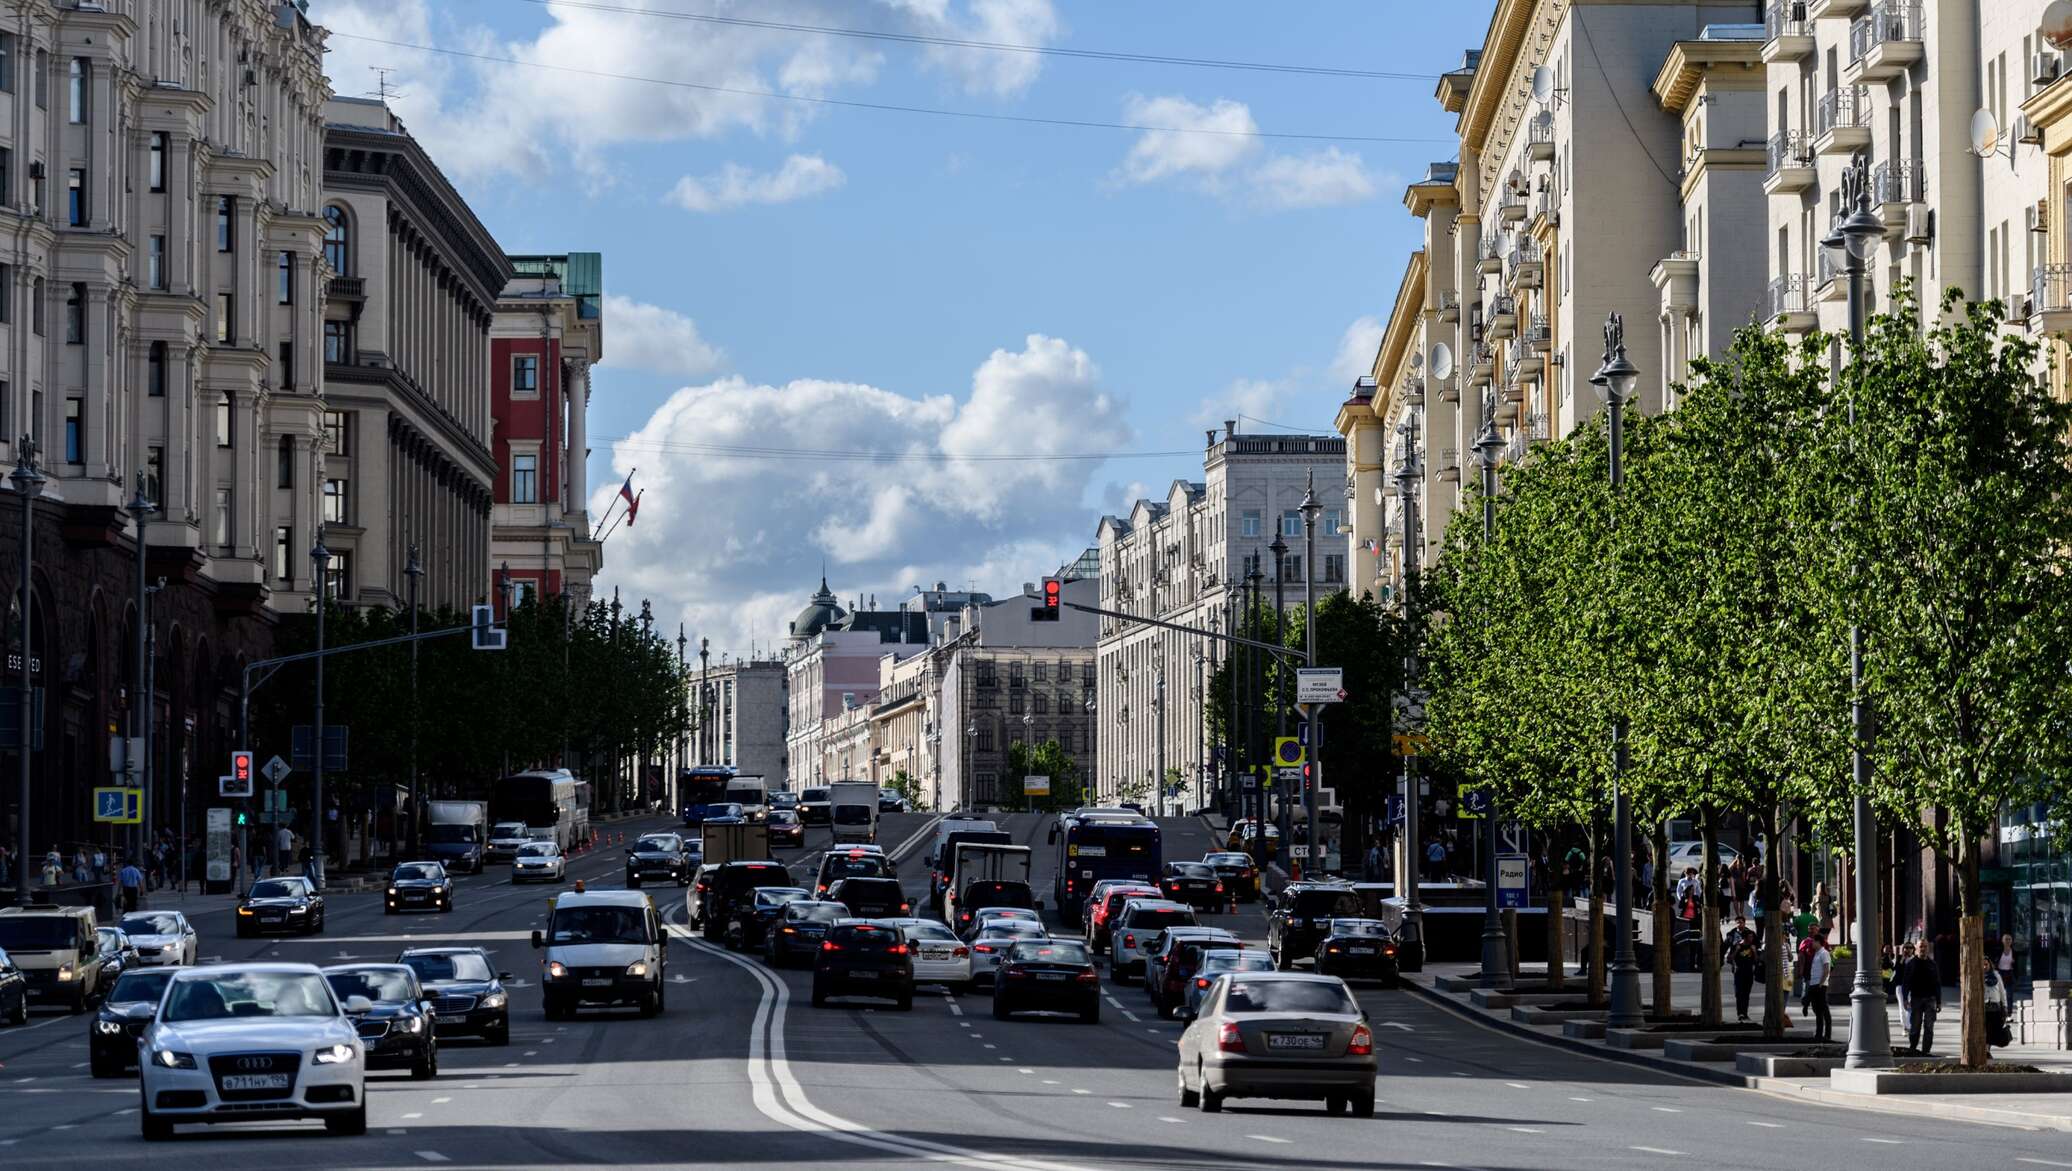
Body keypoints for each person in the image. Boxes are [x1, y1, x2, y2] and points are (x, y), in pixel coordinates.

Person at [1899, 939, 1940, 1055]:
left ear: (1928, 948)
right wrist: (1905, 999)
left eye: (1925, 947)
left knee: (1929, 1027)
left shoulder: (1933, 964)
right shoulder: (1911, 964)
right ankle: (1913, 1048)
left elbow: (1937, 983)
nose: (1923, 949)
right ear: (1916, 948)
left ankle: (1926, 1051)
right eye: (1921, 946)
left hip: (1930, 1000)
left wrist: (1939, 1001)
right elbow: (1905, 983)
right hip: (1916, 998)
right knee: (1915, 1026)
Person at [1725, 913, 1761, 1023]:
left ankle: (1744, 1013)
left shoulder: (1752, 946)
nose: (1751, 939)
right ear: (1745, 938)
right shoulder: (1738, 946)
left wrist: (1755, 952)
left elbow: (1756, 961)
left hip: (1749, 972)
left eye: (1752, 937)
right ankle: (1740, 1013)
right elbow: (1729, 959)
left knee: (1746, 994)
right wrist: (1736, 951)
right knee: (1739, 993)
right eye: (1750, 938)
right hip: (1739, 972)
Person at [1805, 928, 1834, 1042]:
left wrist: (1821, 984)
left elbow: (1827, 969)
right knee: (1817, 1010)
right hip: (1814, 984)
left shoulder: (1824, 953)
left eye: (1813, 941)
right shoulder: (1817, 954)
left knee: (1824, 1010)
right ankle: (1818, 1034)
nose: (1812, 943)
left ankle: (1827, 1035)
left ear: (1818, 942)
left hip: (1820, 985)